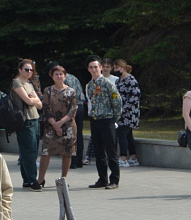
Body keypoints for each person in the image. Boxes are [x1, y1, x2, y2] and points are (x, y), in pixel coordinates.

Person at [84, 55, 123, 190]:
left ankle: (114, 180)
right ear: (88, 69)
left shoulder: (108, 84)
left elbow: (117, 102)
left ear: (101, 68)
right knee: (99, 151)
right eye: (91, 67)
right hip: (95, 120)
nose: (94, 69)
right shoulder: (89, 85)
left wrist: (114, 119)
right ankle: (102, 179)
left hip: (107, 120)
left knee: (111, 151)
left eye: (96, 67)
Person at [38, 65, 78, 187]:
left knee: (67, 152)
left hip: (68, 126)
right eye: (56, 74)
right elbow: (46, 108)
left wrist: (61, 123)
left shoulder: (71, 91)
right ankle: (40, 180)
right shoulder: (48, 91)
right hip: (51, 126)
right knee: (46, 151)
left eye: (61, 74)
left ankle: (63, 179)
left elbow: (73, 109)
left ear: (65, 76)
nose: (59, 76)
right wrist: (55, 124)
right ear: (52, 76)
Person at [10, 59, 44, 191]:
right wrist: (34, 99)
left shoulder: (29, 83)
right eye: (26, 69)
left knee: (32, 150)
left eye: (31, 70)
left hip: (35, 118)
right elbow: (29, 101)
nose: (29, 72)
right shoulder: (17, 82)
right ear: (20, 70)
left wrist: (33, 100)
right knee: (28, 151)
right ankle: (32, 180)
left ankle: (27, 180)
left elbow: (40, 105)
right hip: (24, 120)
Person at [113, 59, 141, 167]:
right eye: (114, 68)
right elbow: (115, 94)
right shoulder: (118, 81)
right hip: (120, 111)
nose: (116, 70)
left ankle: (123, 158)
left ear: (123, 68)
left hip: (130, 112)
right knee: (128, 135)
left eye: (117, 68)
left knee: (122, 133)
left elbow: (135, 96)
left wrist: (124, 109)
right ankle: (133, 157)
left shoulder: (131, 80)